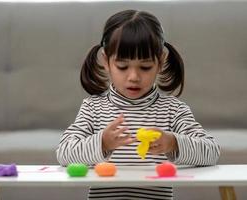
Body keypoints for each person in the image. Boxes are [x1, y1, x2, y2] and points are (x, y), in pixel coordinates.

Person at [56, 9, 220, 200]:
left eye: (145, 67)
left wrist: (173, 142)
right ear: (106, 62)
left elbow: (211, 151)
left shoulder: (173, 110)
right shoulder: (93, 108)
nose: (133, 77)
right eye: (122, 66)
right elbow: (64, 153)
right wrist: (102, 143)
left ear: (160, 62)